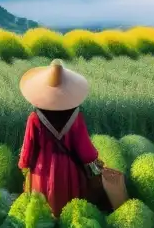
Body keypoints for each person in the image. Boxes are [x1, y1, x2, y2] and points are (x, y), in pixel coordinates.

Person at [17, 59, 106, 216]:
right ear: (67, 90)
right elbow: (85, 150)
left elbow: (28, 149)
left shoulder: (35, 118)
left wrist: (24, 164)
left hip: (41, 169)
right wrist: (95, 161)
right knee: (70, 212)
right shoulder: (76, 117)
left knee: (43, 213)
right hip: (69, 170)